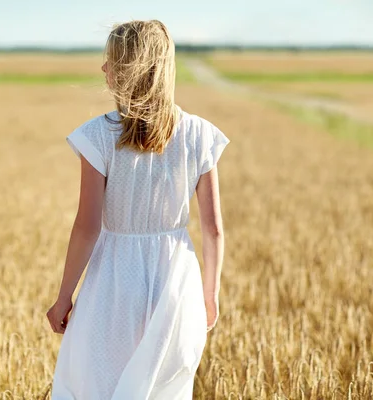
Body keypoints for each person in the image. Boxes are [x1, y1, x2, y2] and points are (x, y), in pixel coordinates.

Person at [46, 19, 229, 399]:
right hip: (177, 280)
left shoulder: (99, 135)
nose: (103, 69)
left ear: (129, 69)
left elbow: (86, 227)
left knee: (98, 385)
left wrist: (64, 297)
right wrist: (209, 293)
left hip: (115, 280)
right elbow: (213, 229)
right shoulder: (199, 134)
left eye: (110, 61)